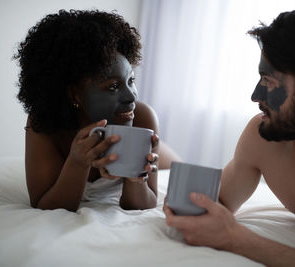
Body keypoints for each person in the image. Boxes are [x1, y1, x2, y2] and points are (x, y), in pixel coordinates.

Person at [164, 5, 295, 266]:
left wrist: (238, 239)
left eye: (269, 82)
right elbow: (217, 203)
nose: (255, 96)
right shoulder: (262, 136)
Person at [14, 9, 179, 212]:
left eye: (131, 81)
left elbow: (139, 204)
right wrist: (77, 161)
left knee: (178, 166)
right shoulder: (45, 123)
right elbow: (44, 205)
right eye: (112, 86)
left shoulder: (142, 117)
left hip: (167, 161)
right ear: (74, 94)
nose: (131, 97)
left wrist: (138, 176)